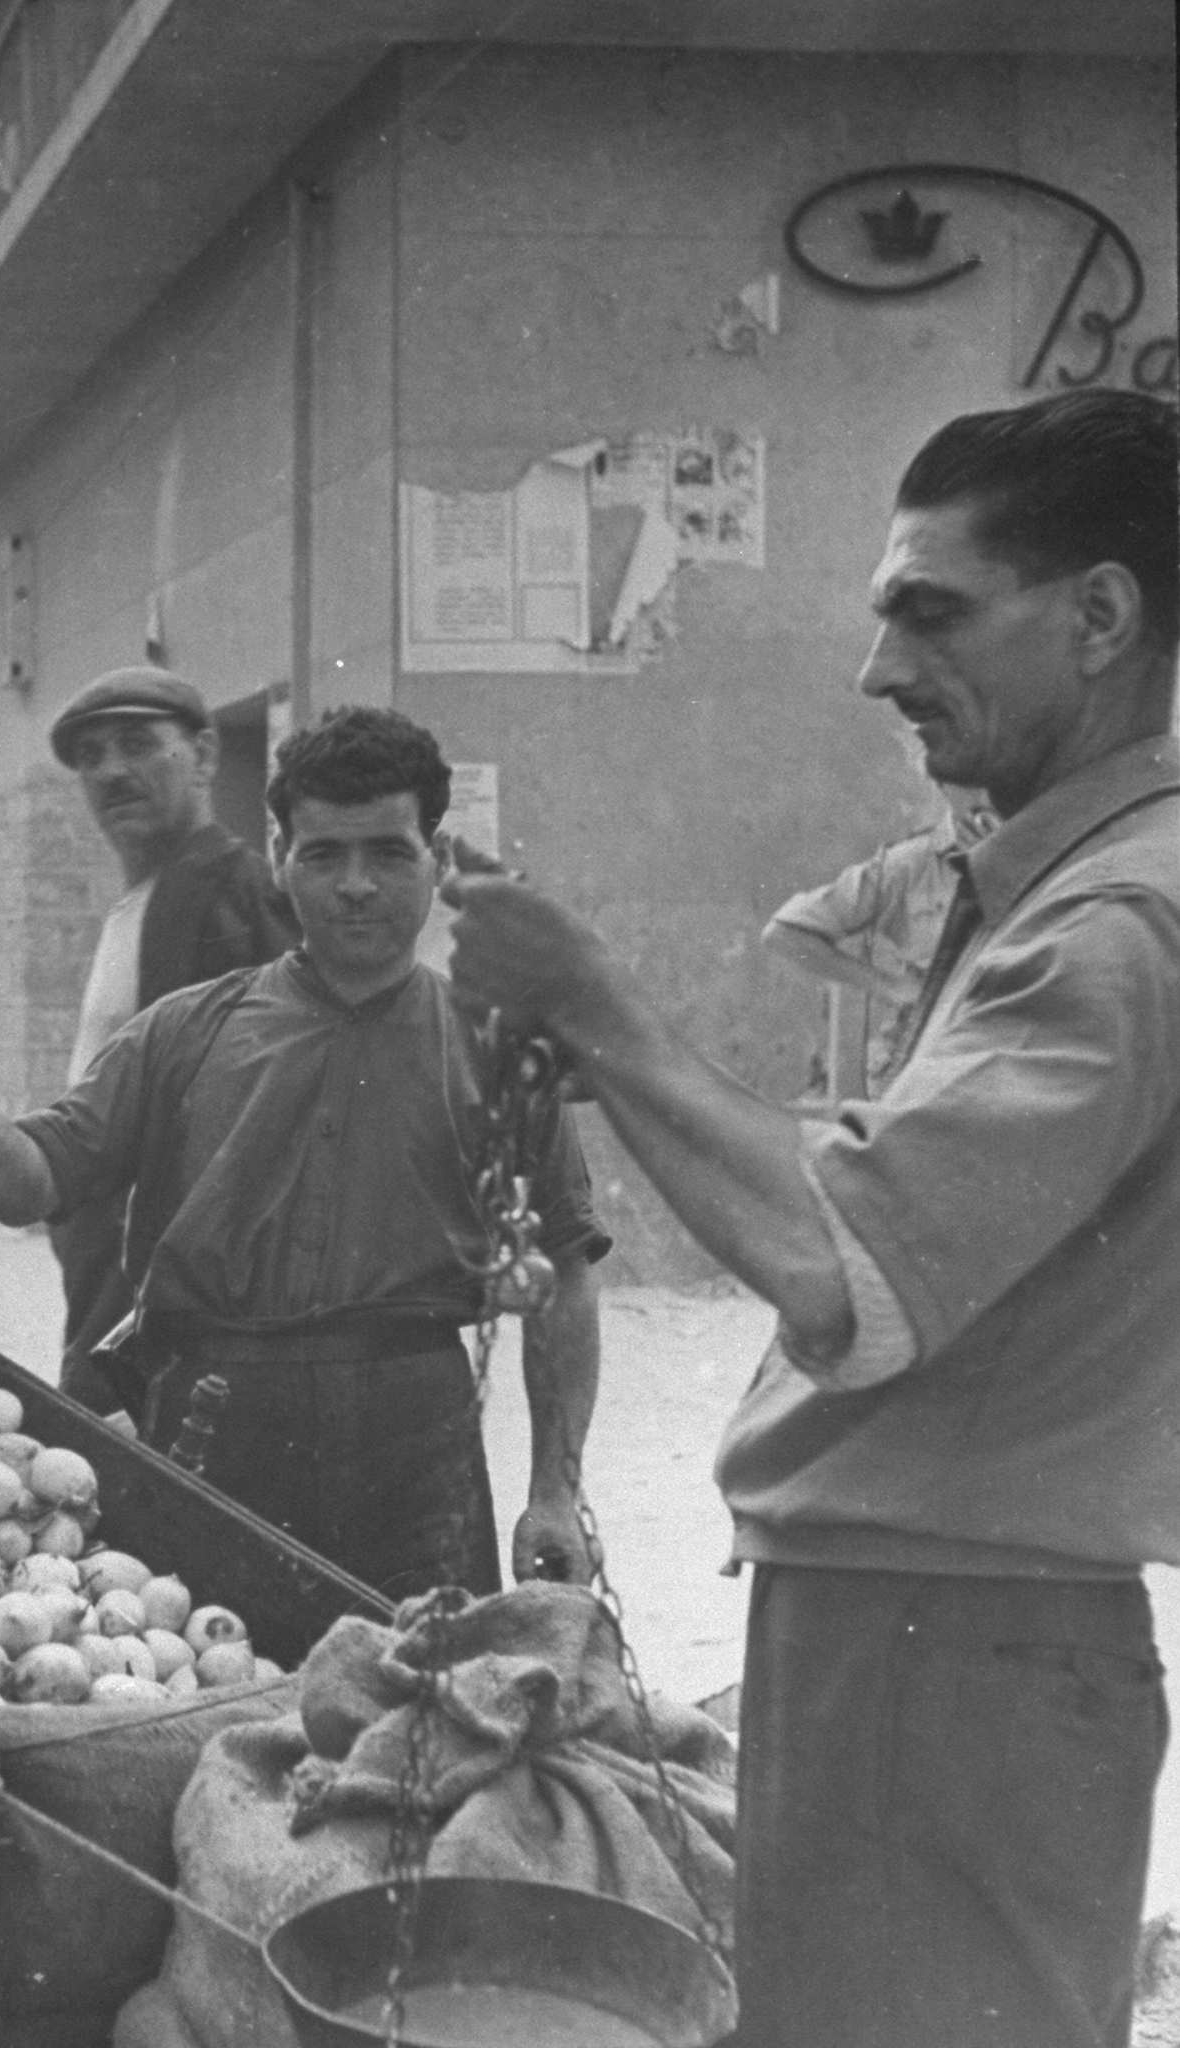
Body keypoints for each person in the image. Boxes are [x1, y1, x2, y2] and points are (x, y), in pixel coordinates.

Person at [442, 387, 1180, 2048]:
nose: (876, 668)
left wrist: (595, 999)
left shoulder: (1118, 924)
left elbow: (834, 1260)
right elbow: (851, 1195)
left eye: (929, 609)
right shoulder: (1060, 891)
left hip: (947, 1654)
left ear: (1100, 615)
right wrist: (609, 1053)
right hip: (923, 1641)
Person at [0, 705, 609, 1599]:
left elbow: (563, 1272)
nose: (354, 886)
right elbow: (29, 1182)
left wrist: (554, 1492)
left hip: (419, 1449)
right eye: (321, 854)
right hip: (214, 1436)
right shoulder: (186, 1033)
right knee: (211, 1692)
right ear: (277, 858)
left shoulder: (493, 1049)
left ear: (436, 858)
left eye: (385, 852)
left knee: (427, 1710)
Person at [45, 665, 296, 1405]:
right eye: (90, 756)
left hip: (165, 1303)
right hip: (108, 1275)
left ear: (206, 756)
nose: (111, 771)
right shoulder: (142, 903)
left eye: (136, 744)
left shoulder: (227, 895)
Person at [761, 780, 995, 1089]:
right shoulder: (910, 863)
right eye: (969, 779)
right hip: (924, 1053)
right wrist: (891, 987)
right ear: (942, 784)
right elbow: (785, 933)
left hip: (1002, 1046)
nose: (986, 794)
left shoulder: (1044, 855)